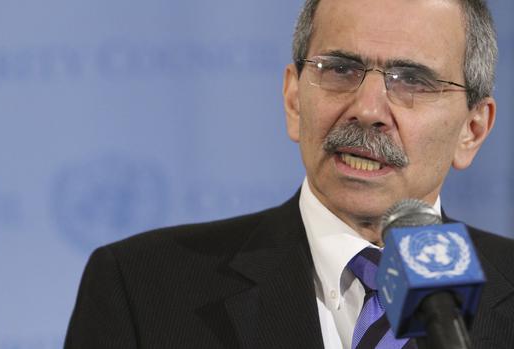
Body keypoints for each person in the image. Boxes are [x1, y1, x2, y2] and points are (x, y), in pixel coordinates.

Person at [64, 0, 514, 348]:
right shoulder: (143, 288)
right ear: (294, 100)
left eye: (412, 80)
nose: (367, 109)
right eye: (340, 69)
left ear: (472, 130)